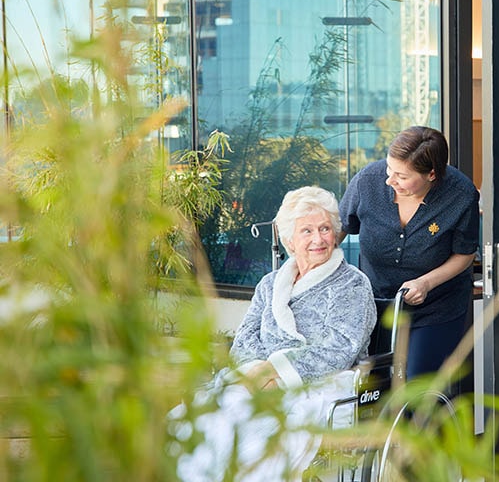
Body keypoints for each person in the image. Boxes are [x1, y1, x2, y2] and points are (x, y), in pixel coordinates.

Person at [171, 186, 377, 482]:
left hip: (316, 384)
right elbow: (245, 337)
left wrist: (275, 372)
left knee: (252, 440)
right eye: (307, 231)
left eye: (325, 228)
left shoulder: (352, 284)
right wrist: (257, 373)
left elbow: (339, 348)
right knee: (193, 425)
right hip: (256, 380)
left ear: (335, 233)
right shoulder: (270, 284)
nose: (318, 239)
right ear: (289, 240)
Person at [339, 126, 480, 380]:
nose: (389, 181)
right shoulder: (367, 181)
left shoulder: (460, 195)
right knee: (371, 386)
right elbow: (337, 229)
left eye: (401, 176)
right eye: (389, 169)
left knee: (417, 384)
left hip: (435, 308)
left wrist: (425, 283)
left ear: (432, 174)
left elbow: (465, 254)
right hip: (374, 304)